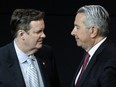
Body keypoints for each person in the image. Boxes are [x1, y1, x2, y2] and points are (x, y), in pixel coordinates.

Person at [0, 9, 60, 87]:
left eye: (43, 31)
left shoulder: (47, 53)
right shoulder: (1, 58)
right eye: (38, 32)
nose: (43, 35)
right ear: (22, 34)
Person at [71, 5, 116, 87]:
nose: (72, 32)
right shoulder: (90, 53)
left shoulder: (110, 60)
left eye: (77, 27)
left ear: (93, 31)